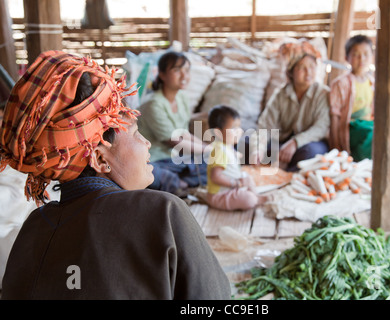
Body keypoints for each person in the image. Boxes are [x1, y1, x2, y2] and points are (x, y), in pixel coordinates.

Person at [0, 51, 230, 300]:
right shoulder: (164, 212)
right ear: (100, 159)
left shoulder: (34, 227)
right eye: (134, 134)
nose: (146, 143)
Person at [138, 51, 209, 196]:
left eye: (187, 70)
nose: (184, 76)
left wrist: (209, 149)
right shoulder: (153, 104)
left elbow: (183, 133)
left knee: (214, 164)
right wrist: (209, 151)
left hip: (174, 159)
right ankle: (178, 183)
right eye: (177, 70)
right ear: (162, 74)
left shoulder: (182, 97)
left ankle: (179, 184)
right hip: (155, 160)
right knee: (146, 171)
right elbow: (174, 141)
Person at [249, 48, 331, 172]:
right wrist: (258, 149)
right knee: (245, 143)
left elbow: (320, 128)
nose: (308, 72)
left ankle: (288, 177)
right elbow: (265, 126)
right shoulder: (280, 95)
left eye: (311, 67)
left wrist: (295, 143)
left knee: (311, 153)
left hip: (308, 144)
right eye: (301, 67)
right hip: (283, 144)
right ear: (291, 72)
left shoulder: (322, 94)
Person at [206, 105, 272, 211]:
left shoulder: (226, 146)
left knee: (247, 177)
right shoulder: (219, 150)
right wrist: (235, 183)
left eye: (239, 127)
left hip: (230, 188)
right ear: (218, 133)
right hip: (219, 195)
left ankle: (256, 196)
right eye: (233, 129)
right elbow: (215, 177)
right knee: (249, 200)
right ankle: (253, 198)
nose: (239, 131)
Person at [329, 35, 375, 162]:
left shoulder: (372, 83)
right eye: (356, 54)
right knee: (371, 134)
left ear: (372, 57)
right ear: (346, 58)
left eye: (366, 54)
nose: (361, 58)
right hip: (351, 129)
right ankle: (361, 163)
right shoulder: (340, 83)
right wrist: (336, 145)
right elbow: (335, 116)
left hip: (368, 125)